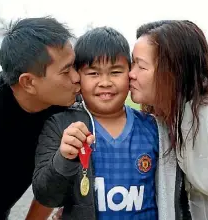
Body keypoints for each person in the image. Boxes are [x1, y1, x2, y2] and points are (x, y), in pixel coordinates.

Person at [32, 26, 165, 220]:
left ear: (130, 72)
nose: (105, 82)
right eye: (93, 73)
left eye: (115, 72)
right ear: (78, 77)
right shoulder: (60, 126)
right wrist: (64, 158)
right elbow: (47, 196)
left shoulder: (153, 128)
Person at [129, 20, 208, 220]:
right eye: (132, 63)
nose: (130, 74)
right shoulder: (168, 118)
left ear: (173, 71)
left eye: (140, 66)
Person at [0, 17, 81, 219]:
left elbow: (52, 181)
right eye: (65, 71)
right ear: (28, 82)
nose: (77, 77)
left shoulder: (64, 103)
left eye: (75, 65)